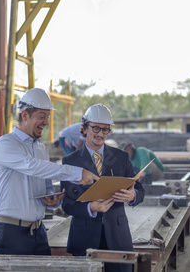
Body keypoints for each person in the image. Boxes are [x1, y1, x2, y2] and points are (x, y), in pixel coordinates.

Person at [0, 88, 99, 256]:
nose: (46, 122)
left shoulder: (41, 149)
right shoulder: (6, 144)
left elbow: (45, 182)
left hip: (38, 232)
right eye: (42, 116)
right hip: (10, 231)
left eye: (47, 117)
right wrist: (78, 173)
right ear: (25, 115)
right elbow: (33, 166)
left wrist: (51, 198)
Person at [61, 103, 145, 272]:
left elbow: (140, 190)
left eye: (105, 130)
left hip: (117, 237)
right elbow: (67, 204)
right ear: (84, 128)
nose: (100, 134)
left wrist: (132, 196)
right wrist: (90, 207)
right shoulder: (70, 162)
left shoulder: (121, 157)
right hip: (85, 238)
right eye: (95, 128)